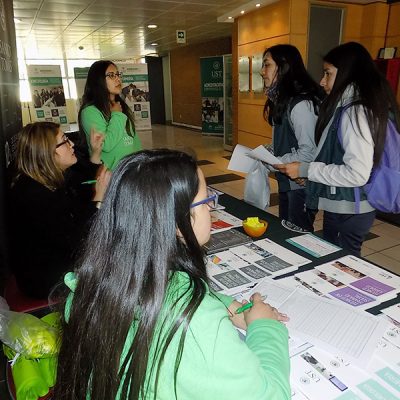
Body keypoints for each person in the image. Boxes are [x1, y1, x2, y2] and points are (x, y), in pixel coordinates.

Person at [55, 149, 291, 400]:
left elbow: (154, 293)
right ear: (176, 222)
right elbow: (271, 395)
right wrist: (265, 325)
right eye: (205, 199)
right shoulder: (194, 319)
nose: (211, 206)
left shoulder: (97, 278)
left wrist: (226, 303)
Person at [275, 42, 400, 255]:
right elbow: (335, 155)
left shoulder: (355, 112)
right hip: (346, 208)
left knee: (343, 266)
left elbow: (356, 173)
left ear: (347, 74)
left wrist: (306, 170)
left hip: (350, 210)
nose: (322, 81)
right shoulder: (352, 106)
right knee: (337, 261)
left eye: (328, 73)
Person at [8, 122, 111, 299]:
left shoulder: (44, 179)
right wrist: (99, 197)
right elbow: (79, 239)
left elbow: (80, 195)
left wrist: (95, 153)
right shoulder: (33, 195)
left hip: (56, 263)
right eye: (64, 141)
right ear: (47, 152)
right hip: (46, 281)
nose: (71, 144)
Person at [261, 44, 323, 233]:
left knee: (299, 236)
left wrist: (274, 162)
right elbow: (287, 141)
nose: (262, 72)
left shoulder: (301, 104)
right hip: (288, 182)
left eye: (267, 65)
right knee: (286, 232)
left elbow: (309, 151)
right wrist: (268, 151)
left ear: (284, 66)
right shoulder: (282, 100)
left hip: (302, 185)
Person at [79, 60, 142, 170]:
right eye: (111, 75)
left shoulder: (120, 105)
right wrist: (117, 115)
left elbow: (133, 138)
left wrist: (141, 162)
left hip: (130, 172)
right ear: (98, 80)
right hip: (110, 176)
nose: (118, 79)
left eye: (118, 74)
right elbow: (106, 144)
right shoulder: (90, 112)